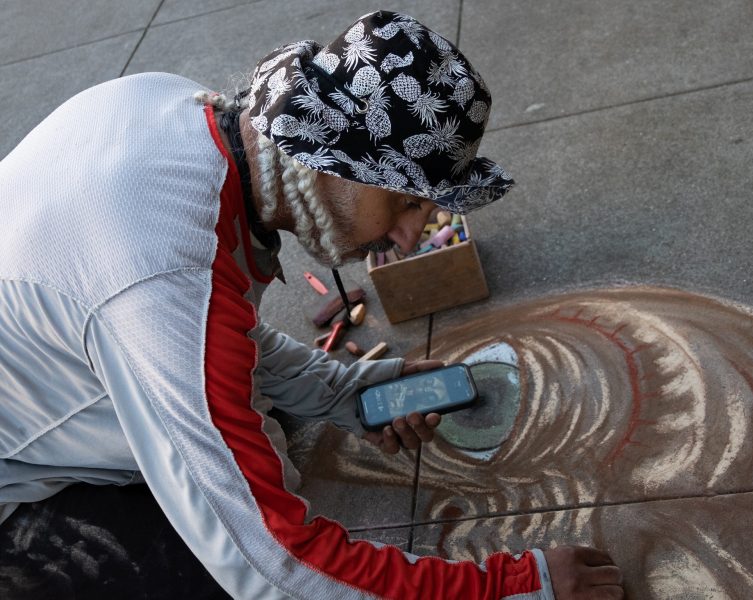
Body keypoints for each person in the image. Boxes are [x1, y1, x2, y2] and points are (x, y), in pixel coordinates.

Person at [0, 10, 623, 600]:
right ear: (338, 164)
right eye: (407, 203)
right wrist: (509, 587)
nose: (410, 237)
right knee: (215, 569)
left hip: (66, 364)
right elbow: (272, 567)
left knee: (253, 432)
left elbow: (210, 331)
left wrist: (346, 392)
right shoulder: (160, 280)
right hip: (16, 486)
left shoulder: (184, 119)